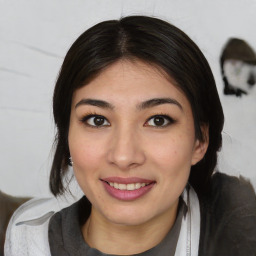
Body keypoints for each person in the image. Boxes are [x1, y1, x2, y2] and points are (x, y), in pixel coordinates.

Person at [4, 15, 256, 256]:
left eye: (158, 121)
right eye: (97, 120)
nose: (124, 156)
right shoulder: (18, 238)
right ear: (67, 136)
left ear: (199, 141)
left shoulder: (241, 226)